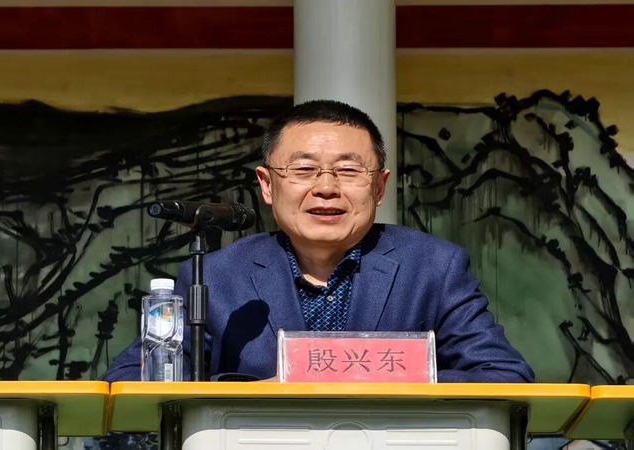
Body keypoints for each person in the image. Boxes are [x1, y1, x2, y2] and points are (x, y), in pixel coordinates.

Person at [103, 100, 534, 383]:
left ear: (379, 187)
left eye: (348, 171)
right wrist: (258, 394)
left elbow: (503, 375)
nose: (326, 188)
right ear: (267, 185)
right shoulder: (216, 276)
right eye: (304, 170)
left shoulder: (434, 267)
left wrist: (362, 378)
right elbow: (131, 379)